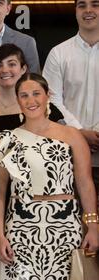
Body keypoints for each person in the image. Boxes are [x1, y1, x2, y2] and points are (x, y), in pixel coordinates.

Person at [0, 73, 99, 280]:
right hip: (20, 230)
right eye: (24, 95)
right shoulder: (6, 139)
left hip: (66, 230)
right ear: (18, 100)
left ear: (47, 95)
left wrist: (94, 227)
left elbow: (86, 185)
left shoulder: (73, 136)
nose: (31, 100)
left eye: (36, 93)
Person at [0, 43, 65, 280]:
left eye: (12, 64)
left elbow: (60, 149)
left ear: (24, 68)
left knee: (24, 275)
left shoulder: (39, 107)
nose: (5, 70)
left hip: (28, 209)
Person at [43, 0, 99, 211]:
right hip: (68, 156)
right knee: (74, 226)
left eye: (95, 4)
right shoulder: (59, 53)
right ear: (75, 11)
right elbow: (52, 99)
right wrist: (79, 133)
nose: (88, 11)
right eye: (82, 5)